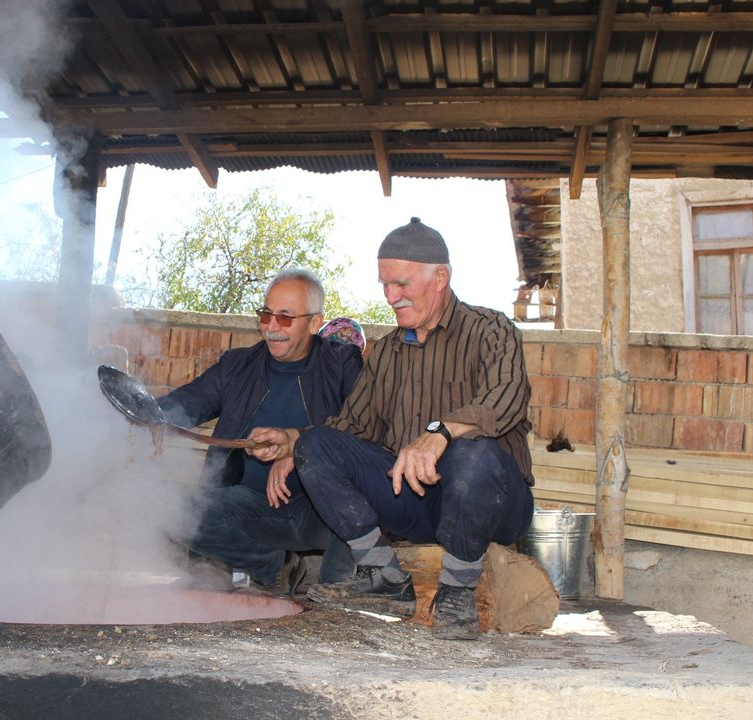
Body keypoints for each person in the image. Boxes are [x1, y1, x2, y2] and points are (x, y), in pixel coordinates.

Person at [248, 218, 534, 640]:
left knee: (474, 454)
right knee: (317, 444)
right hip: (416, 504)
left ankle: (456, 594)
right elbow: (349, 426)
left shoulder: (491, 329)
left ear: (440, 277)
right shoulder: (387, 353)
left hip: (492, 504)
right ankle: (383, 575)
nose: (389, 296)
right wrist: (294, 442)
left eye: (400, 284)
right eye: (384, 285)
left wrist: (440, 433)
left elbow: (507, 397)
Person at [159, 269, 363, 593]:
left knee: (365, 496)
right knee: (168, 509)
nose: (270, 327)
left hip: (320, 510)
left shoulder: (342, 364)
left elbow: (364, 426)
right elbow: (186, 403)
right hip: (250, 506)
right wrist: (142, 411)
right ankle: (274, 566)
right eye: (266, 314)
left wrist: (300, 445)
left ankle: (337, 596)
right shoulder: (238, 365)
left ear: (314, 323)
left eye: (284, 318)